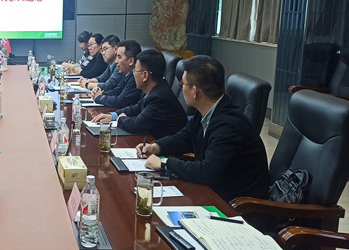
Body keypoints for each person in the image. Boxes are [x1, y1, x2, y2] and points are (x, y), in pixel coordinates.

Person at [138, 55, 269, 202]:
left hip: (236, 204)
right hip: (214, 191)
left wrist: (165, 164)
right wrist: (156, 147)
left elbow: (207, 171)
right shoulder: (206, 112)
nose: (181, 89)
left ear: (195, 91)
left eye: (182, 84)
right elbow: (183, 138)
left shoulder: (228, 125)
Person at [92, 49, 187, 139]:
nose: (133, 74)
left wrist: (121, 119)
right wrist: (113, 116)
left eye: (135, 71)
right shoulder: (156, 89)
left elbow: (136, 125)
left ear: (145, 75)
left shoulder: (159, 97)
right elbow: (136, 108)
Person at [92, 40, 143, 109]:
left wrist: (99, 97)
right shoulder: (126, 74)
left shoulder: (135, 77)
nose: (116, 61)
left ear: (131, 61)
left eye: (119, 57)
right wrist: (102, 93)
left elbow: (121, 101)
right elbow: (117, 91)